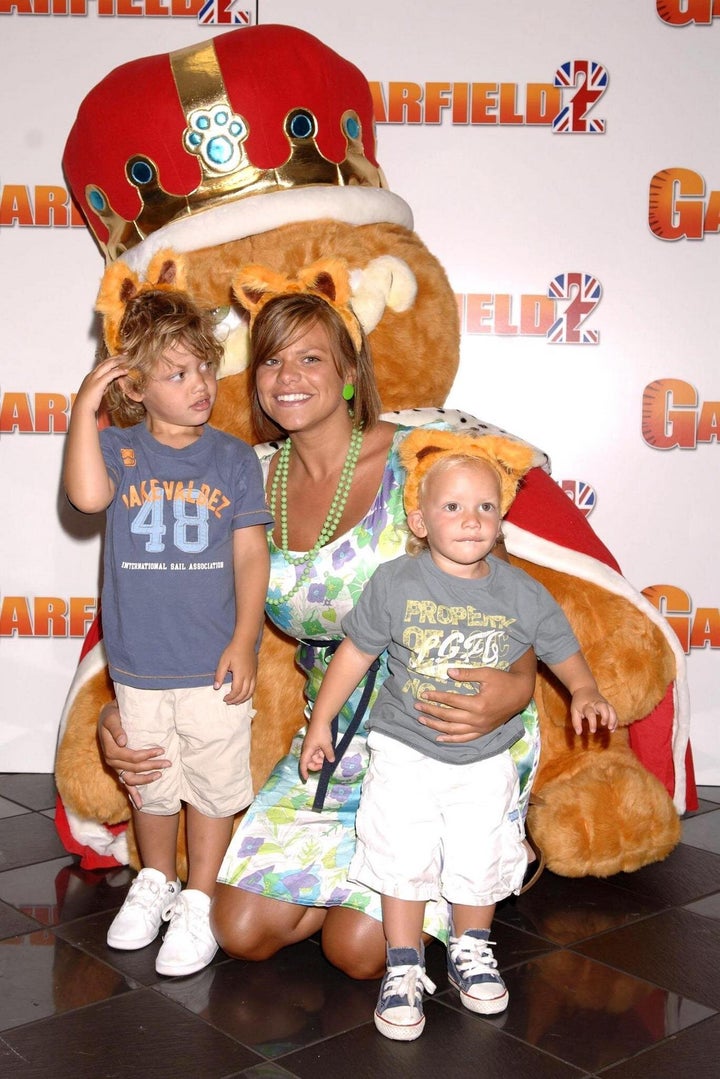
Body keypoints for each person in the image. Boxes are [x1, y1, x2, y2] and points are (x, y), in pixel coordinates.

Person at [97, 265, 543, 981]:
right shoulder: (245, 473)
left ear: (347, 372)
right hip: (326, 740)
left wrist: (515, 687)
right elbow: (159, 588)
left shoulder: (416, 459)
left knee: (360, 951)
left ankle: (487, 847)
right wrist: (116, 709)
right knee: (238, 928)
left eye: (310, 356)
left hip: (439, 734)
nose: (287, 374)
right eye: (271, 358)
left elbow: (506, 590)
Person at [299, 428, 617, 1040]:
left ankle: (472, 948)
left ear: (501, 518)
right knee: (400, 854)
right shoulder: (395, 583)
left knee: (480, 854)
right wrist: (321, 723)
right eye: (452, 507)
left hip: (484, 757)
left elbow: (559, 647)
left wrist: (583, 689)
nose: (471, 520)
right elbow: (354, 655)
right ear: (419, 521)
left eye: (485, 507)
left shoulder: (521, 591)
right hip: (403, 750)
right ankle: (403, 963)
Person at [63, 287, 272, 976]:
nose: (200, 385)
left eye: (204, 367)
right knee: (151, 785)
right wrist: (83, 411)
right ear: (136, 387)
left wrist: (245, 638)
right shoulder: (119, 452)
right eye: (176, 373)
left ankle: (201, 898)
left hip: (213, 662)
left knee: (212, 787)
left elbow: (249, 553)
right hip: (142, 663)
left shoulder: (235, 459)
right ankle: (155, 881)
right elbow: (86, 498)